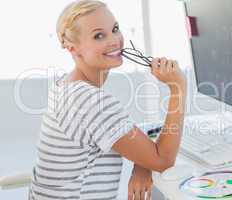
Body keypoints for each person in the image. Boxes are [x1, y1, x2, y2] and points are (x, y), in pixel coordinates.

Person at [29, 0, 187, 199]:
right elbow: (163, 160)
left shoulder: (64, 86)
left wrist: (143, 163)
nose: (114, 40)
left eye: (115, 29)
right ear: (72, 48)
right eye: (99, 36)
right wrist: (178, 87)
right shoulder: (90, 101)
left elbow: (132, 135)